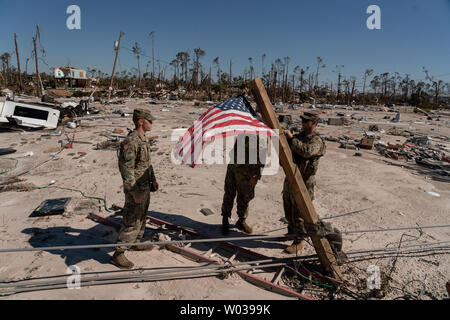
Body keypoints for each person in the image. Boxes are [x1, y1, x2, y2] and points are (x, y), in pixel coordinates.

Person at [110, 109, 159, 269]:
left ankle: (135, 242)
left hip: (145, 186)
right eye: (149, 120)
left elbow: (146, 164)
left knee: (142, 216)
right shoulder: (131, 141)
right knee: (132, 219)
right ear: (140, 121)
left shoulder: (143, 139)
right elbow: (126, 169)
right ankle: (119, 253)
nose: (152, 123)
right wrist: (134, 191)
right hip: (136, 188)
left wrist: (153, 179)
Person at [282, 111, 326, 254]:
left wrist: (291, 139)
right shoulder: (300, 136)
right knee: (288, 206)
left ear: (314, 123)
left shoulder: (316, 140)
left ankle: (299, 240)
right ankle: (291, 232)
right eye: (302, 121)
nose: (303, 123)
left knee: (300, 211)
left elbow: (306, 151)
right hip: (291, 178)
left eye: (306, 121)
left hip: (305, 181)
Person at [221, 134, 264, 235]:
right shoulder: (242, 130)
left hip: (247, 173)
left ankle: (241, 221)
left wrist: (256, 176)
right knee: (229, 194)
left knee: (244, 197)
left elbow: (262, 156)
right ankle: (225, 219)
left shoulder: (260, 135)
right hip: (233, 169)